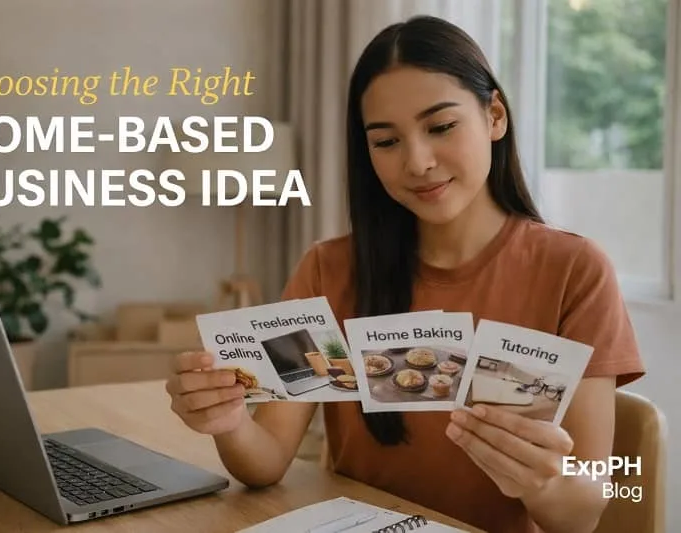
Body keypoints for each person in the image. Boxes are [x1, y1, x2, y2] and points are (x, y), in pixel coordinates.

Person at [165, 15, 645, 533]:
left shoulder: (575, 271)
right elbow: (266, 462)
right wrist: (230, 421)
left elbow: (582, 513)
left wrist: (544, 483)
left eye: (441, 127)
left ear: (495, 117)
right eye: (386, 141)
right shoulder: (328, 269)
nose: (417, 162)